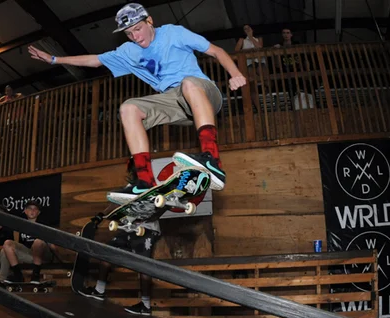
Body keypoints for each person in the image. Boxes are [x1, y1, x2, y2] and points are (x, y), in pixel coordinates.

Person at [28, 3, 245, 203]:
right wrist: (55, 60)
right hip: (174, 103)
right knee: (128, 108)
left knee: (188, 83)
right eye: (129, 33)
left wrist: (235, 74)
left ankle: (212, 160)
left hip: (204, 95)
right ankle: (144, 180)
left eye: (138, 29)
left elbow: (216, 51)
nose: (136, 37)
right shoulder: (128, 51)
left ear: (149, 21)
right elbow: (94, 60)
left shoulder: (173, 33)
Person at [79, 215, 161, 316]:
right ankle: (99, 290)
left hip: (147, 230)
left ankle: (145, 305)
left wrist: (145, 214)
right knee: (107, 250)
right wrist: (101, 215)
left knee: (143, 263)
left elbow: (160, 208)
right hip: (129, 229)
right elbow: (116, 204)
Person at [1, 200, 53, 284]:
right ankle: (17, 275)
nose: (32, 211)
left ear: (38, 212)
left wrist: (61, 260)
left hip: (43, 256)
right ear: (25, 211)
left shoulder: (43, 224)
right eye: (29, 208)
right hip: (29, 254)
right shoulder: (21, 225)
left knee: (38, 242)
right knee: (7, 243)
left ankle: (35, 275)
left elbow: (53, 245)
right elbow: (19, 245)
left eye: (35, 209)